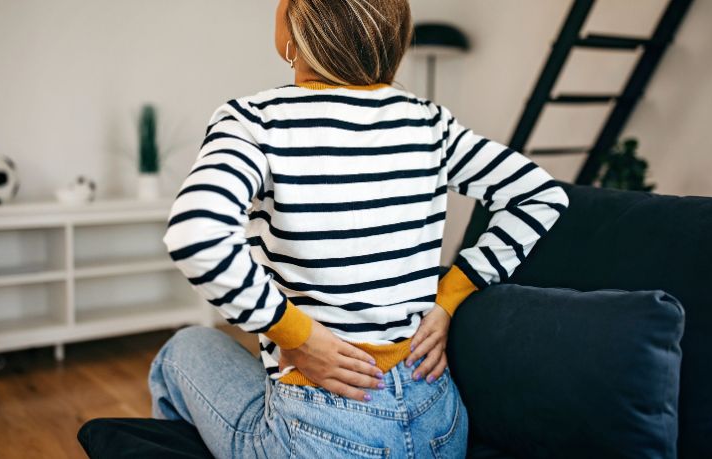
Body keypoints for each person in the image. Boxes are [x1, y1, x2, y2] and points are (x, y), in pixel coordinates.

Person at [149, 0, 569, 457]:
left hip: (319, 431)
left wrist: (299, 336)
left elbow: (197, 233)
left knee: (181, 350)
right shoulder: (429, 123)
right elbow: (541, 194)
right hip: (438, 420)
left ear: (294, 28)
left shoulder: (255, 122)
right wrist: (450, 296)